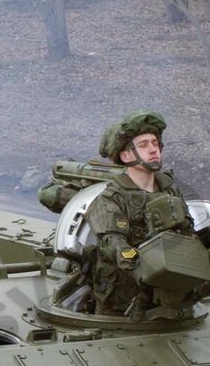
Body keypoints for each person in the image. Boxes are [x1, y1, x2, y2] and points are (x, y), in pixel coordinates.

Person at [81, 111, 192, 315]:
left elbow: (187, 234)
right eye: (143, 145)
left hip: (170, 299)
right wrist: (144, 268)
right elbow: (114, 244)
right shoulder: (112, 197)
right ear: (126, 156)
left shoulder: (169, 190)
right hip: (123, 305)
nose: (153, 150)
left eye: (155, 144)